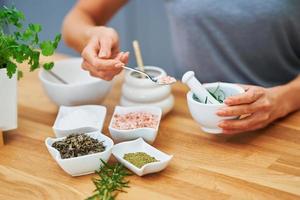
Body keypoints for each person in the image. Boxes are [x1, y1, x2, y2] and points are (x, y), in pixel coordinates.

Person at [62, 0, 300, 134]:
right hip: (191, 126)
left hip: (287, 123)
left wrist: (283, 100)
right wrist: (92, 36)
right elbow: (78, 18)